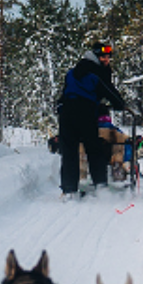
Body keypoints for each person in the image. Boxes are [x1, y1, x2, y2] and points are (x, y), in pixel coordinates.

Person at [56, 47, 134, 196]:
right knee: (94, 147)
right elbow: (108, 90)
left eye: (108, 57)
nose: (106, 60)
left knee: (69, 151)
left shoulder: (72, 72)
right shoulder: (96, 72)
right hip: (85, 111)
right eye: (103, 57)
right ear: (95, 58)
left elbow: (65, 92)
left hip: (67, 112)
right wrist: (120, 104)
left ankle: (69, 189)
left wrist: (60, 106)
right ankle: (101, 186)